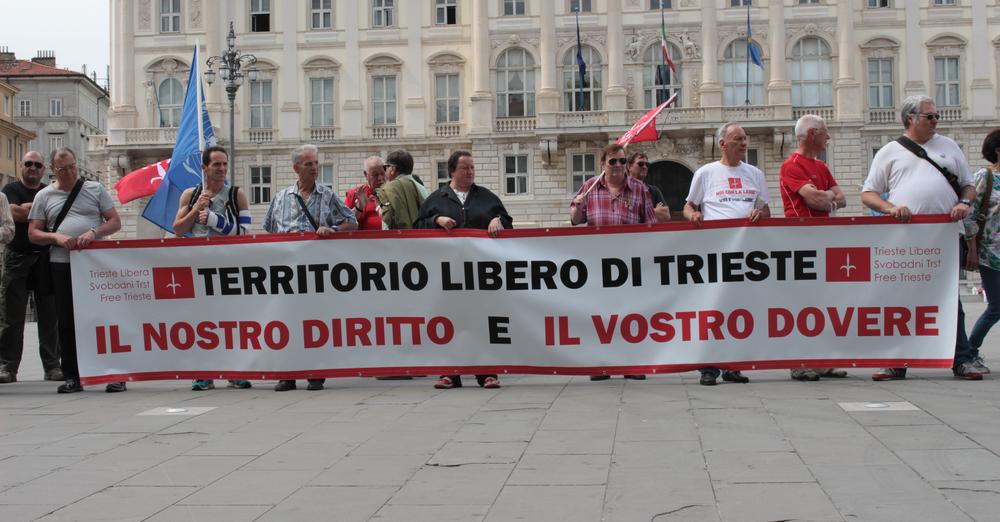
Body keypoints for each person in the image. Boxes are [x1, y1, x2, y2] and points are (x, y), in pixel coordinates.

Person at [862, 95, 985, 380]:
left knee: (949, 297)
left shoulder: (949, 146)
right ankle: (897, 360)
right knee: (903, 299)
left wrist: (964, 204)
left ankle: (961, 358)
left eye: (936, 116)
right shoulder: (889, 151)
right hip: (906, 237)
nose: (935, 121)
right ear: (910, 119)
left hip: (944, 236)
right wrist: (891, 208)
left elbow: (968, 186)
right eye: (929, 116)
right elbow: (868, 194)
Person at [27, 147, 124, 393]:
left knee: (102, 318)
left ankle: (114, 373)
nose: (69, 172)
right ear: (53, 170)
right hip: (61, 263)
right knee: (67, 321)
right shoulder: (45, 196)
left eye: (72, 167)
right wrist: (55, 237)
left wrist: (93, 232)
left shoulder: (94, 189)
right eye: (63, 169)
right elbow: (33, 233)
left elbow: (114, 221)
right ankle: (73, 375)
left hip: (94, 265)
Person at [416, 150, 513, 390]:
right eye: (465, 168)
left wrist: (498, 221)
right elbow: (417, 227)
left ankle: (487, 372)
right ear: (452, 171)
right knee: (452, 321)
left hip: (481, 273)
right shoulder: (437, 198)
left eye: (472, 168)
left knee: (482, 320)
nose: (470, 172)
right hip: (449, 274)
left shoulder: (486, 197)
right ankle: (450, 372)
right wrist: (436, 220)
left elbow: (507, 221)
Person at [684, 122, 771, 386]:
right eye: (738, 139)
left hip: (746, 254)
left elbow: (766, 209)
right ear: (722, 144)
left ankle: (734, 364)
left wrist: (760, 213)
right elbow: (688, 205)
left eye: (745, 139)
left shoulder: (755, 173)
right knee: (713, 308)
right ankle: (709, 367)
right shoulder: (706, 173)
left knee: (740, 310)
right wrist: (694, 215)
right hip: (715, 251)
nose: (744, 143)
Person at [266, 144, 358, 392]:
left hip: (315, 271)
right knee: (286, 321)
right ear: (296, 168)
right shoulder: (281, 198)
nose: (315, 168)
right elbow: (269, 230)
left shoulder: (326, 195)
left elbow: (352, 222)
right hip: (286, 272)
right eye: (309, 164)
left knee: (314, 322)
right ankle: (288, 374)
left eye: (316, 163)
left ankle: (315, 371)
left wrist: (333, 230)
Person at [571, 143, 655, 382]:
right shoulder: (589, 187)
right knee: (600, 315)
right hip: (598, 264)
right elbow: (575, 220)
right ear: (603, 164)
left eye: (621, 161)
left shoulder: (639, 189)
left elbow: (651, 226)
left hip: (631, 263)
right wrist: (577, 206)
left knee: (631, 315)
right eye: (613, 161)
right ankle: (601, 364)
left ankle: (632, 364)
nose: (618, 166)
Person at [173, 145, 253, 391]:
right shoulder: (190, 194)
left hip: (227, 265)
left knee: (230, 320)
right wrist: (196, 209)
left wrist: (216, 221)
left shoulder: (236, 195)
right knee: (202, 322)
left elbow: (246, 232)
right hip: (198, 266)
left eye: (224, 164)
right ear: (204, 167)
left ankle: (234, 370)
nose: (222, 169)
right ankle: (203, 372)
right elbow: (178, 229)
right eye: (216, 164)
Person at [778, 114, 849, 382]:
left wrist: (827, 198)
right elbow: (820, 199)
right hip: (801, 241)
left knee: (824, 303)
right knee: (802, 305)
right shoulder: (791, 165)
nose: (828, 138)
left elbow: (839, 199)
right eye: (825, 133)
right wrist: (828, 197)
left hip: (823, 240)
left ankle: (822, 360)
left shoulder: (821, 167)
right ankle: (799, 361)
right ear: (811, 134)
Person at [0, 151, 62, 384]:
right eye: (28, 164)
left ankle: (52, 366)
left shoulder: (49, 191)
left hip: (45, 257)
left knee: (49, 314)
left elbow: (50, 218)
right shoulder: (10, 190)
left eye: (37, 164)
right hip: (17, 256)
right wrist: (37, 214)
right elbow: (12, 213)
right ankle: (8, 367)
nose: (33, 168)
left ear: (44, 168)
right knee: (11, 315)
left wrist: (26, 211)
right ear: (20, 166)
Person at [962, 130, 1000, 374]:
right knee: (996, 306)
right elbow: (971, 215)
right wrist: (972, 248)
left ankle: (970, 351)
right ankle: (970, 351)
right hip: (991, 252)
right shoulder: (984, 176)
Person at [376, 149, 430, 230]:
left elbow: (388, 218)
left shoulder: (391, 187)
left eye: (385, 167)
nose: (384, 171)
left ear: (392, 169)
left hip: (398, 239)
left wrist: (378, 208)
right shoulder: (421, 187)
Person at [626, 152, 671, 222]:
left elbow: (666, 216)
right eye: (640, 164)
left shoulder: (654, 190)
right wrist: (654, 211)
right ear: (629, 167)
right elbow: (623, 215)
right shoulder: (622, 188)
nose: (644, 167)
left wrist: (637, 212)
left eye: (647, 164)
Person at [345, 156, 386, 230]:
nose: (380, 178)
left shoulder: (393, 193)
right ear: (365, 174)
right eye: (375, 175)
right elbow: (343, 223)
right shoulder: (355, 194)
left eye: (383, 173)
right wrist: (358, 208)